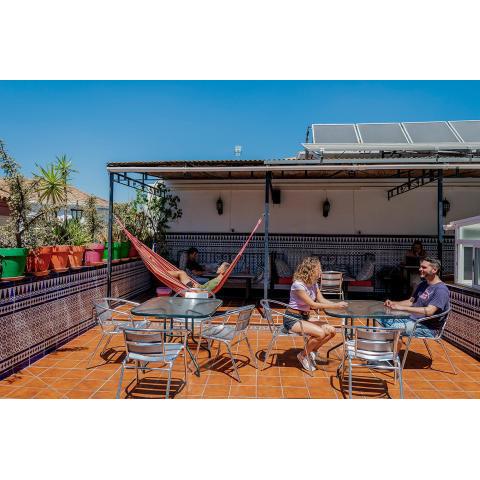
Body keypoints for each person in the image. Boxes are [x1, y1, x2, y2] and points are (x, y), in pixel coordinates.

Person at [284, 256, 348, 371]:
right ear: (311, 270)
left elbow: (321, 300)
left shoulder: (314, 283)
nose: (321, 272)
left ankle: (311, 352)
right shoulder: (298, 285)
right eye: (319, 269)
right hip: (292, 318)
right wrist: (335, 306)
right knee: (320, 334)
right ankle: (302, 355)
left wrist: (338, 306)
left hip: (304, 317)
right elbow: (312, 305)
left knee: (331, 331)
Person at [380, 257, 450, 340]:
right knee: (380, 319)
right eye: (420, 267)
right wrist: (393, 303)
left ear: (434, 270)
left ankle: (390, 346)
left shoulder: (441, 290)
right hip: (413, 320)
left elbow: (429, 311)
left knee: (394, 327)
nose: (420, 269)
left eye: (424, 267)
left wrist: (401, 308)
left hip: (427, 328)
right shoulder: (422, 284)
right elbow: (411, 301)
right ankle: (383, 345)